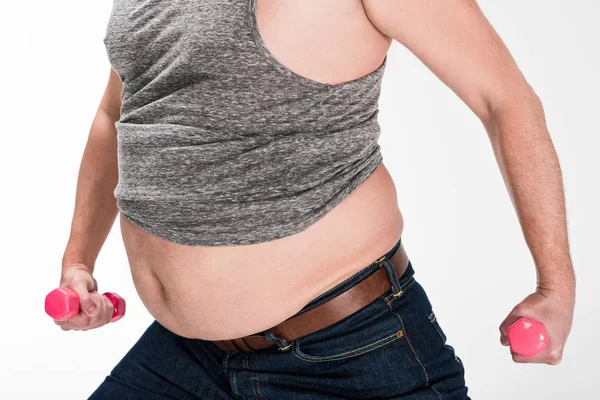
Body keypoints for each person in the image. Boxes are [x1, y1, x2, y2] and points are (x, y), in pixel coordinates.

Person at [54, 0, 575, 398]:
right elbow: (116, 115)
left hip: (347, 354)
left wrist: (556, 285)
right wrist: (78, 260)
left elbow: (505, 100)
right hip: (189, 355)